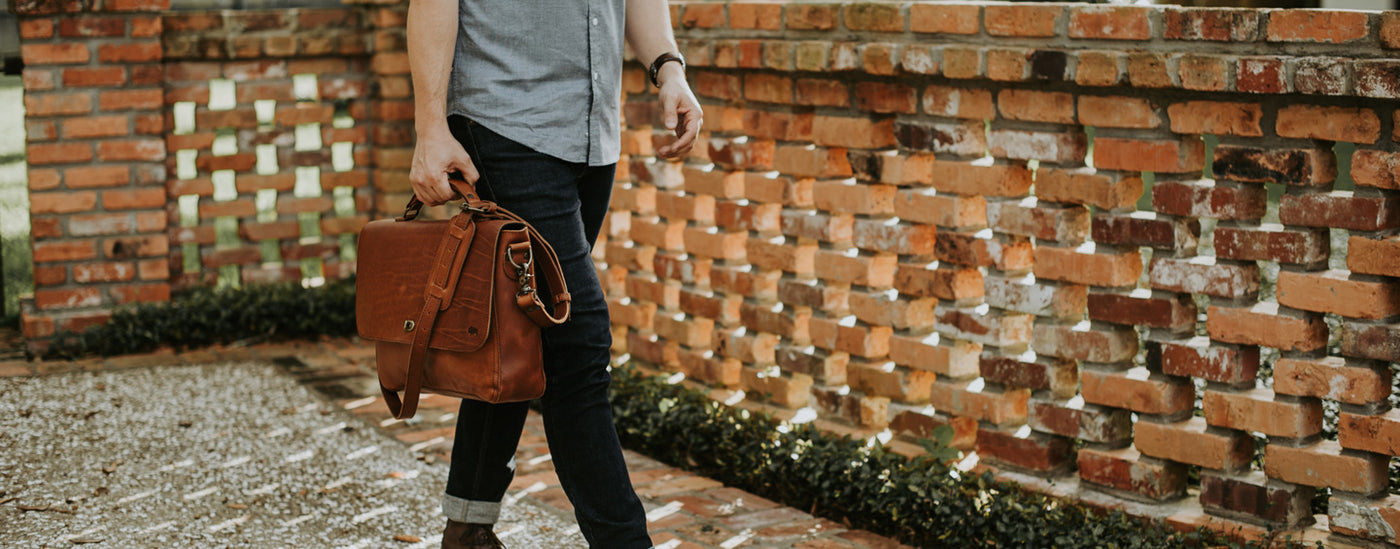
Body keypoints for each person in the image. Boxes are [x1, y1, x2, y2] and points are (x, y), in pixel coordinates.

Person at [405, 0, 702, 546]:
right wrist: (430, 128)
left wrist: (669, 68)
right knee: (577, 342)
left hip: (592, 135)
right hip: (503, 124)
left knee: (520, 332)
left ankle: (467, 527)